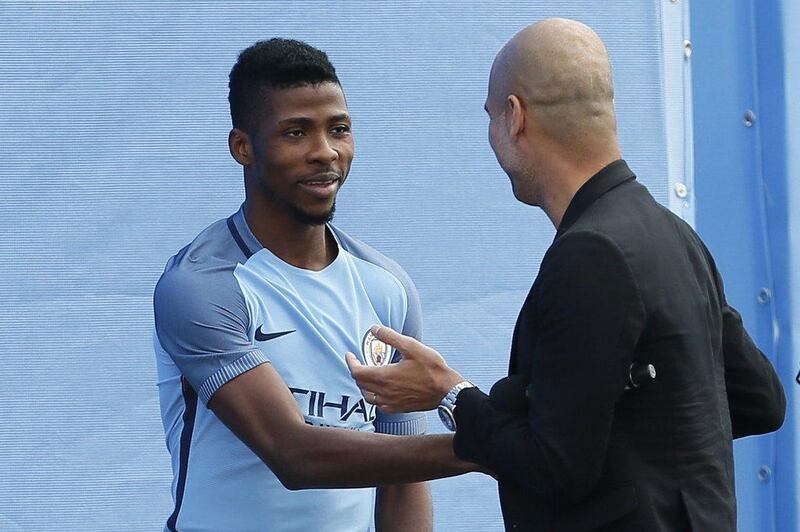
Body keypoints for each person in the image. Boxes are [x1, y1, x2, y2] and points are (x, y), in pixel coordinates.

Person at [347, 18, 787, 531]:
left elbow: (553, 468)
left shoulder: (590, 255)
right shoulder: (673, 235)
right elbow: (759, 401)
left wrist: (450, 393)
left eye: (490, 117)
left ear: (514, 117)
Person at [153, 39, 478, 532]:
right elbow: (294, 455)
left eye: (339, 130)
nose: (325, 152)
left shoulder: (387, 288)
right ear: (243, 147)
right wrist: (492, 445)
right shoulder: (201, 286)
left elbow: (403, 470)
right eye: (296, 132)